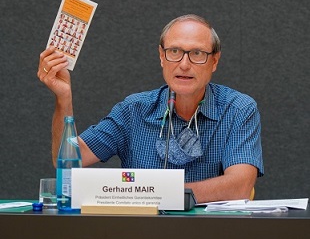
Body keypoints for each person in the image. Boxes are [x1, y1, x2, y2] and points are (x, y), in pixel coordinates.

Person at [37, 14, 264, 203]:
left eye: (197, 54)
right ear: (161, 57)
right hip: (142, 236)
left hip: (210, 237)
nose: (184, 64)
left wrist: (154, 193)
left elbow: (239, 187)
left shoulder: (238, 109)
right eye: (174, 51)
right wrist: (63, 99)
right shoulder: (134, 110)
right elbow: (65, 160)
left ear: (214, 61)